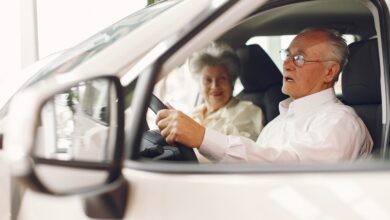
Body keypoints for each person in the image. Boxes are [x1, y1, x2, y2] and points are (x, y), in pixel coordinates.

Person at [156, 28, 373, 163]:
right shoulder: (277, 124)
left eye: (299, 58)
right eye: (287, 55)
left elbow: (294, 167)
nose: (286, 64)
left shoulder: (341, 122)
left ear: (330, 71)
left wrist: (202, 137)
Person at [189, 42, 264, 141]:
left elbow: (240, 152)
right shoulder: (194, 113)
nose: (215, 86)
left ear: (232, 82)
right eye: (208, 80)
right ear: (199, 85)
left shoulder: (247, 111)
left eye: (222, 78)